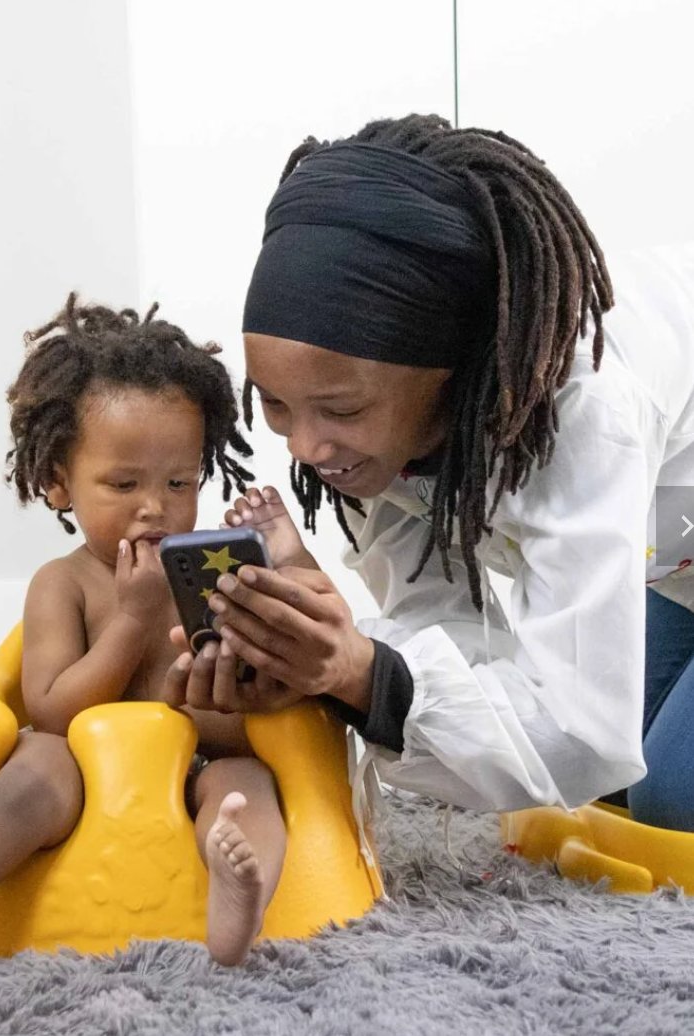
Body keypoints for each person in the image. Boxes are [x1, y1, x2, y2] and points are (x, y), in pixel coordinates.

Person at [166, 113, 694, 835]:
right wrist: (336, 664)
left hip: (671, 544)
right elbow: (448, 631)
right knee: (612, 790)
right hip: (673, 562)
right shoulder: (372, 439)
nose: (309, 448)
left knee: (671, 799)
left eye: (340, 409)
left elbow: (580, 736)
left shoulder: (584, 406)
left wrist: (360, 674)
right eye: (279, 407)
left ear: (451, 370)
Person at [0, 294, 286, 1007]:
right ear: (57, 484)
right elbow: (52, 709)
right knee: (34, 766)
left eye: (180, 482)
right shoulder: (64, 584)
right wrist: (132, 622)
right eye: (123, 484)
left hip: (191, 769)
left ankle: (237, 897)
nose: (155, 507)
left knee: (244, 782)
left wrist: (223, 687)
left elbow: (246, 730)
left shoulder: (207, 578)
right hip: (75, 776)